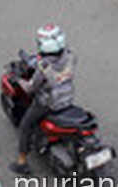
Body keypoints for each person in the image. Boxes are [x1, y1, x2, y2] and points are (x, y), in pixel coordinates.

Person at [10, 23, 76, 175]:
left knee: (25, 125)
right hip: (67, 97)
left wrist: (18, 80)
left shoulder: (43, 68)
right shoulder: (71, 56)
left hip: (48, 103)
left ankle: (21, 162)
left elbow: (30, 88)